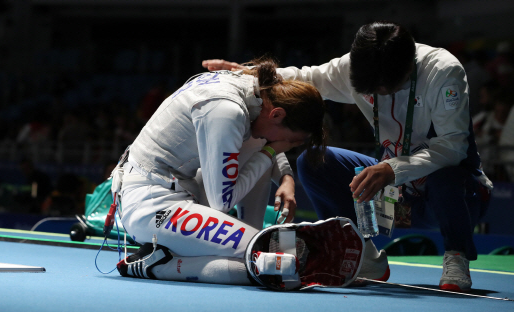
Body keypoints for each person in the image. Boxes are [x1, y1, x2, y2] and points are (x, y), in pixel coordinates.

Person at [202, 21, 494, 291]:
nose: (378, 92)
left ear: (408, 68)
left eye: (385, 87)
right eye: (372, 89)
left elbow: (454, 146)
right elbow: (306, 77)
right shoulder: (357, 65)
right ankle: (356, 251)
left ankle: (457, 255)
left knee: (448, 174)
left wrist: (393, 169)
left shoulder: (443, 72)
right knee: (314, 160)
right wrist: (247, 73)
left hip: (456, 195)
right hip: (396, 193)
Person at [113, 58, 328, 286]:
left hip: (179, 188)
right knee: (270, 262)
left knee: (268, 257)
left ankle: (246, 235)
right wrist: (271, 150)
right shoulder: (227, 111)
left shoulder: (254, 92)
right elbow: (222, 202)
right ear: (276, 115)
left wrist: (286, 177)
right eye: (288, 141)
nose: (283, 145)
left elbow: (262, 142)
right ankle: (157, 265)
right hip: (153, 207)